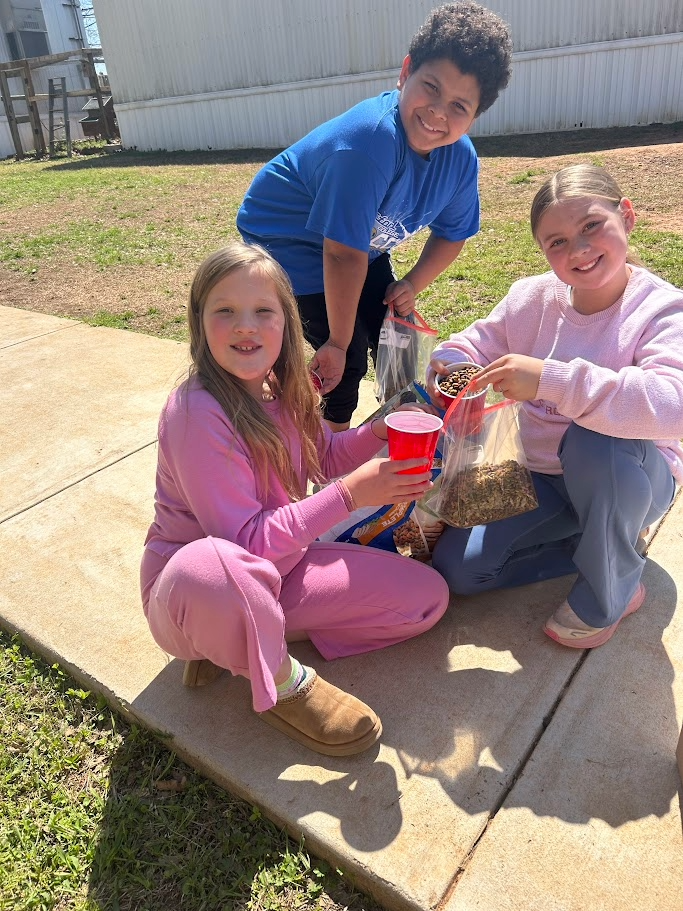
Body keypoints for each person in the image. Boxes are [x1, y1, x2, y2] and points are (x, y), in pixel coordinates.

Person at [140, 241, 450, 757]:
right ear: (199, 323)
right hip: (194, 592)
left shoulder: (282, 388)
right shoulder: (195, 412)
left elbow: (324, 456)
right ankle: (283, 682)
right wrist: (352, 495)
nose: (247, 325)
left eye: (264, 311)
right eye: (226, 311)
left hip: (282, 568)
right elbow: (245, 543)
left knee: (426, 601)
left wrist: (381, 431)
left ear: (286, 322)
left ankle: (245, 640)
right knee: (212, 564)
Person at [427, 164, 683, 648]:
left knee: (595, 439)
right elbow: (471, 342)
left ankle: (610, 593)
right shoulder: (532, 297)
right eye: (557, 242)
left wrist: (551, 380)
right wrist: (452, 368)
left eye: (592, 226)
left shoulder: (662, 309)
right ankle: (603, 547)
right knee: (460, 570)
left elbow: (674, 405)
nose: (579, 250)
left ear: (626, 216)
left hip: (631, 477)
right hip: (542, 476)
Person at [237, 2, 513, 431]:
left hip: (356, 243)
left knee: (395, 333)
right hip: (288, 240)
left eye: (460, 106)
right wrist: (338, 341)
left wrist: (410, 284)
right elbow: (341, 256)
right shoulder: (367, 144)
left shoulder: (459, 161)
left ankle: (396, 428)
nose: (439, 112)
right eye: (431, 87)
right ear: (405, 72)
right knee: (343, 356)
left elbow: (452, 233)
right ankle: (330, 462)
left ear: (476, 115)